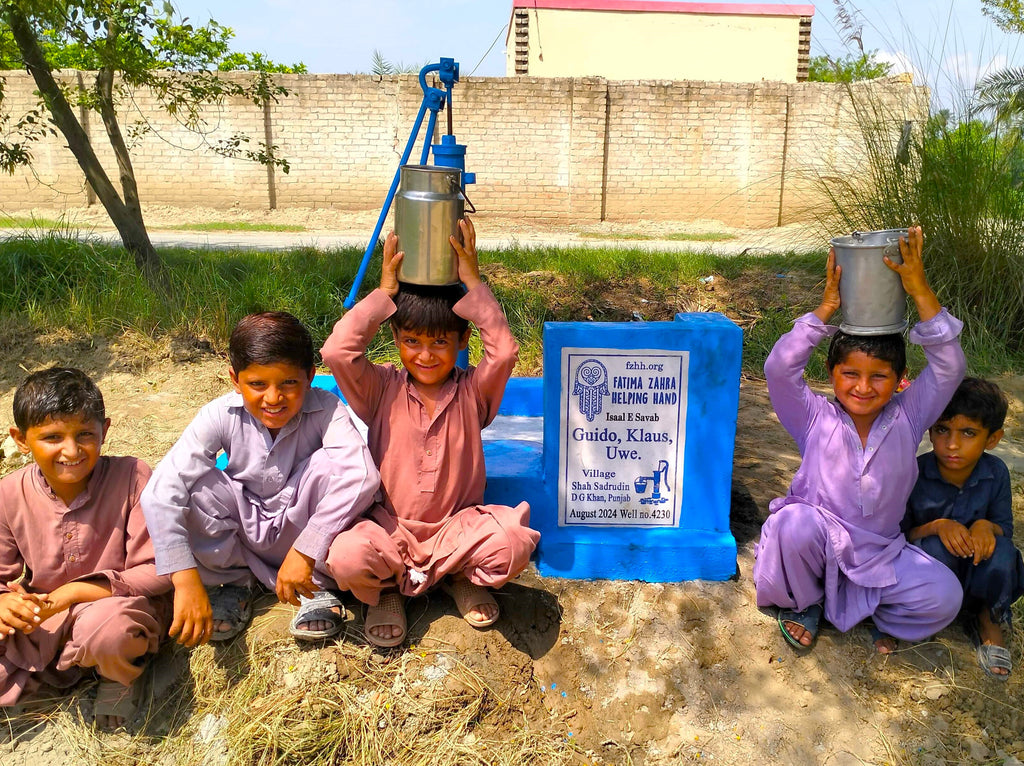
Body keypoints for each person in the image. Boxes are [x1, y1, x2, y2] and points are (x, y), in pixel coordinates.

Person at [321, 216, 540, 648]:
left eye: (440, 343)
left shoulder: (474, 392)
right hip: (390, 530)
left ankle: (459, 577)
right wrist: (384, 294)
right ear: (397, 339)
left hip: (456, 530)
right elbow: (337, 351)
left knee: (513, 543)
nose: (425, 355)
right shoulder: (380, 388)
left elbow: (505, 351)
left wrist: (474, 283)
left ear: (462, 342)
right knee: (346, 557)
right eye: (413, 341)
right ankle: (386, 592)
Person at [752, 226, 966, 654]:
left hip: (881, 556)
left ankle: (866, 612)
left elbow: (950, 366)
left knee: (945, 595)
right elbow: (778, 369)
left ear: (899, 380)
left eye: (879, 377)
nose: (863, 387)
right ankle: (804, 604)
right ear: (831, 374)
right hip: (819, 542)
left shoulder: (910, 415)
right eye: (850, 374)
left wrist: (918, 289)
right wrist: (827, 308)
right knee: (792, 526)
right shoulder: (813, 416)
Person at [141, 312, 380, 646]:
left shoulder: (326, 408)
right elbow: (161, 491)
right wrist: (183, 579)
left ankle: (317, 588)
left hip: (309, 534)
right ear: (235, 380)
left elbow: (362, 475)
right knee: (196, 486)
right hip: (245, 533)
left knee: (331, 466)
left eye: (288, 383)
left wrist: (306, 549)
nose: (273, 398)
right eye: (257, 385)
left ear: (310, 377)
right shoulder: (219, 415)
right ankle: (236, 583)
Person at [0, 368, 171, 728]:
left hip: (116, 607)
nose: (71, 451)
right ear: (20, 439)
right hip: (46, 619)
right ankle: (61, 671)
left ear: (104, 430)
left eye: (84, 435)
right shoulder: (9, 493)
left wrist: (72, 593)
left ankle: (119, 678)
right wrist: (5, 602)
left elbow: (159, 569)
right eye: (52, 437)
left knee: (112, 630)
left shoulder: (132, 477)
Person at [904, 378, 1024, 680]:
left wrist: (986, 526)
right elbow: (900, 536)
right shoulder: (915, 472)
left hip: (976, 574)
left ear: (993, 439)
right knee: (931, 549)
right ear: (931, 431)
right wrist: (935, 526)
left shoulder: (996, 473)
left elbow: (1004, 529)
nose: (952, 444)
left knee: (1004, 553)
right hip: (932, 578)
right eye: (943, 430)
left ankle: (986, 618)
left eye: (968, 433)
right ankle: (931, 614)